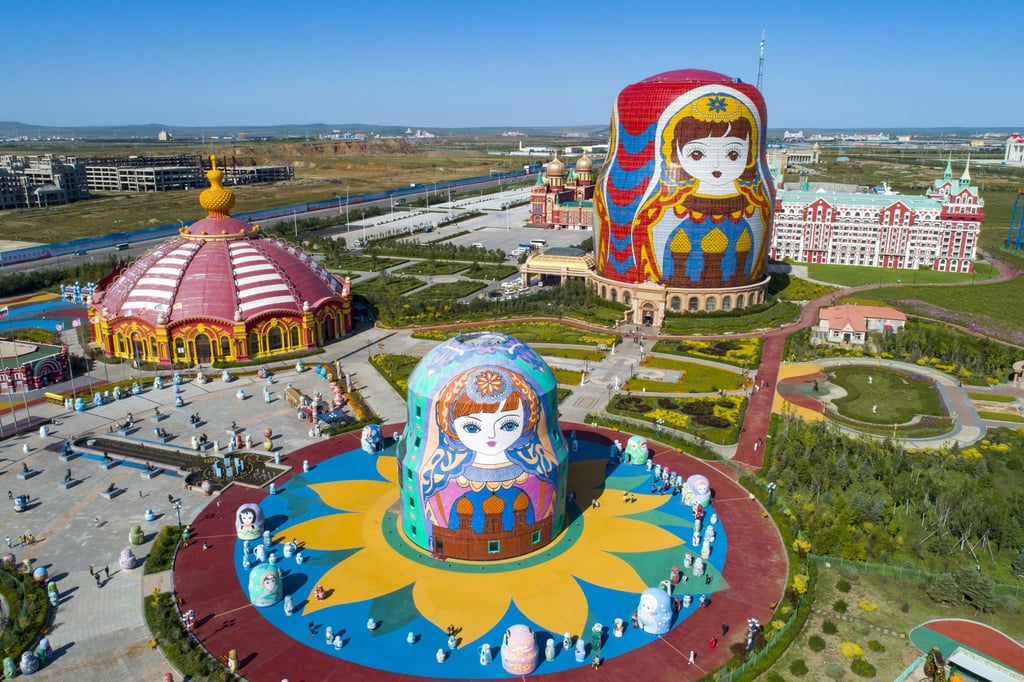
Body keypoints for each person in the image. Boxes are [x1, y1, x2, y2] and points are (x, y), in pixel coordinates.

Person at [629, 88, 773, 288]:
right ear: (676, 153)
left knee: (740, 256)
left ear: (748, 155)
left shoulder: (753, 201)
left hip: (737, 266)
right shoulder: (664, 204)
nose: (716, 166)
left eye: (733, 154)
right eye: (697, 154)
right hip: (677, 266)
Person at [420, 367, 559, 534]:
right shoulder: (438, 478)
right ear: (449, 425)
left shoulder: (541, 470)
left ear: (527, 421)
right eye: (471, 427)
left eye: (509, 425)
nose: (492, 436)